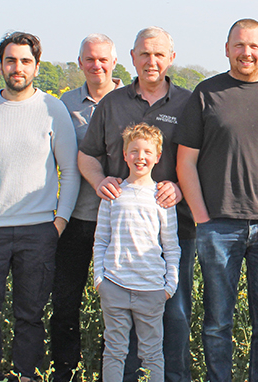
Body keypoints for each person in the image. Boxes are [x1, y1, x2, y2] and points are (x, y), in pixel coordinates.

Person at [174, 18, 258, 382]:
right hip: (219, 226)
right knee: (217, 322)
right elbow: (185, 161)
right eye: (239, 45)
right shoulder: (206, 93)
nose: (246, 53)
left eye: (253, 46)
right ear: (227, 48)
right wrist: (202, 219)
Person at [0, 31, 80, 382]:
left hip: (38, 230)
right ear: (0, 65)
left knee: (31, 313)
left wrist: (59, 221)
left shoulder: (52, 109)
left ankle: (27, 374)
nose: (18, 67)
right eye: (11, 60)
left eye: (25, 61)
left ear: (37, 67)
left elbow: (69, 171)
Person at [77, 26, 192, 382]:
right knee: (118, 337)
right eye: (144, 54)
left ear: (171, 58)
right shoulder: (113, 103)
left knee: (174, 318)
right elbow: (87, 155)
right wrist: (101, 181)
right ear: (132, 58)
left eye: (159, 54)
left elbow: (202, 162)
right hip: (121, 233)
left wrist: (183, 190)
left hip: (173, 227)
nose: (151, 61)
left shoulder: (189, 103)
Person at [51, 33, 123, 382]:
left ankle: (115, 370)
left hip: (122, 222)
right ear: (80, 63)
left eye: (103, 59)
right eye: (90, 60)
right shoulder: (64, 105)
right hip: (77, 218)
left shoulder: (130, 100)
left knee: (122, 305)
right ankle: (66, 371)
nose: (97, 66)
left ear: (114, 62)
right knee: (66, 302)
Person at [92, 123, 181, 382]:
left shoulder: (162, 197)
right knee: (114, 351)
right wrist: (100, 279)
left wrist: (170, 285)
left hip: (152, 288)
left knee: (152, 352)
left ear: (157, 157)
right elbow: (101, 239)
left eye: (146, 152)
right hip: (115, 285)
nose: (140, 157)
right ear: (124, 155)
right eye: (134, 151)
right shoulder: (113, 194)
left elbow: (171, 245)